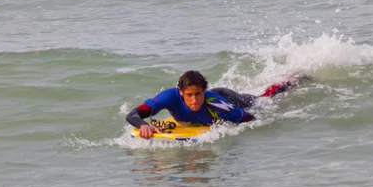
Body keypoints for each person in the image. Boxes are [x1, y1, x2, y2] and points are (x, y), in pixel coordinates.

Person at [126, 70, 306, 139]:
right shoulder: (168, 97)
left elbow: (250, 119)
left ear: (204, 91)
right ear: (181, 92)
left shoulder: (217, 104)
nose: (195, 100)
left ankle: (293, 80)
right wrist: (144, 126)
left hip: (229, 98)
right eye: (189, 95)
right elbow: (132, 114)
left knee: (262, 100)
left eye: (198, 94)